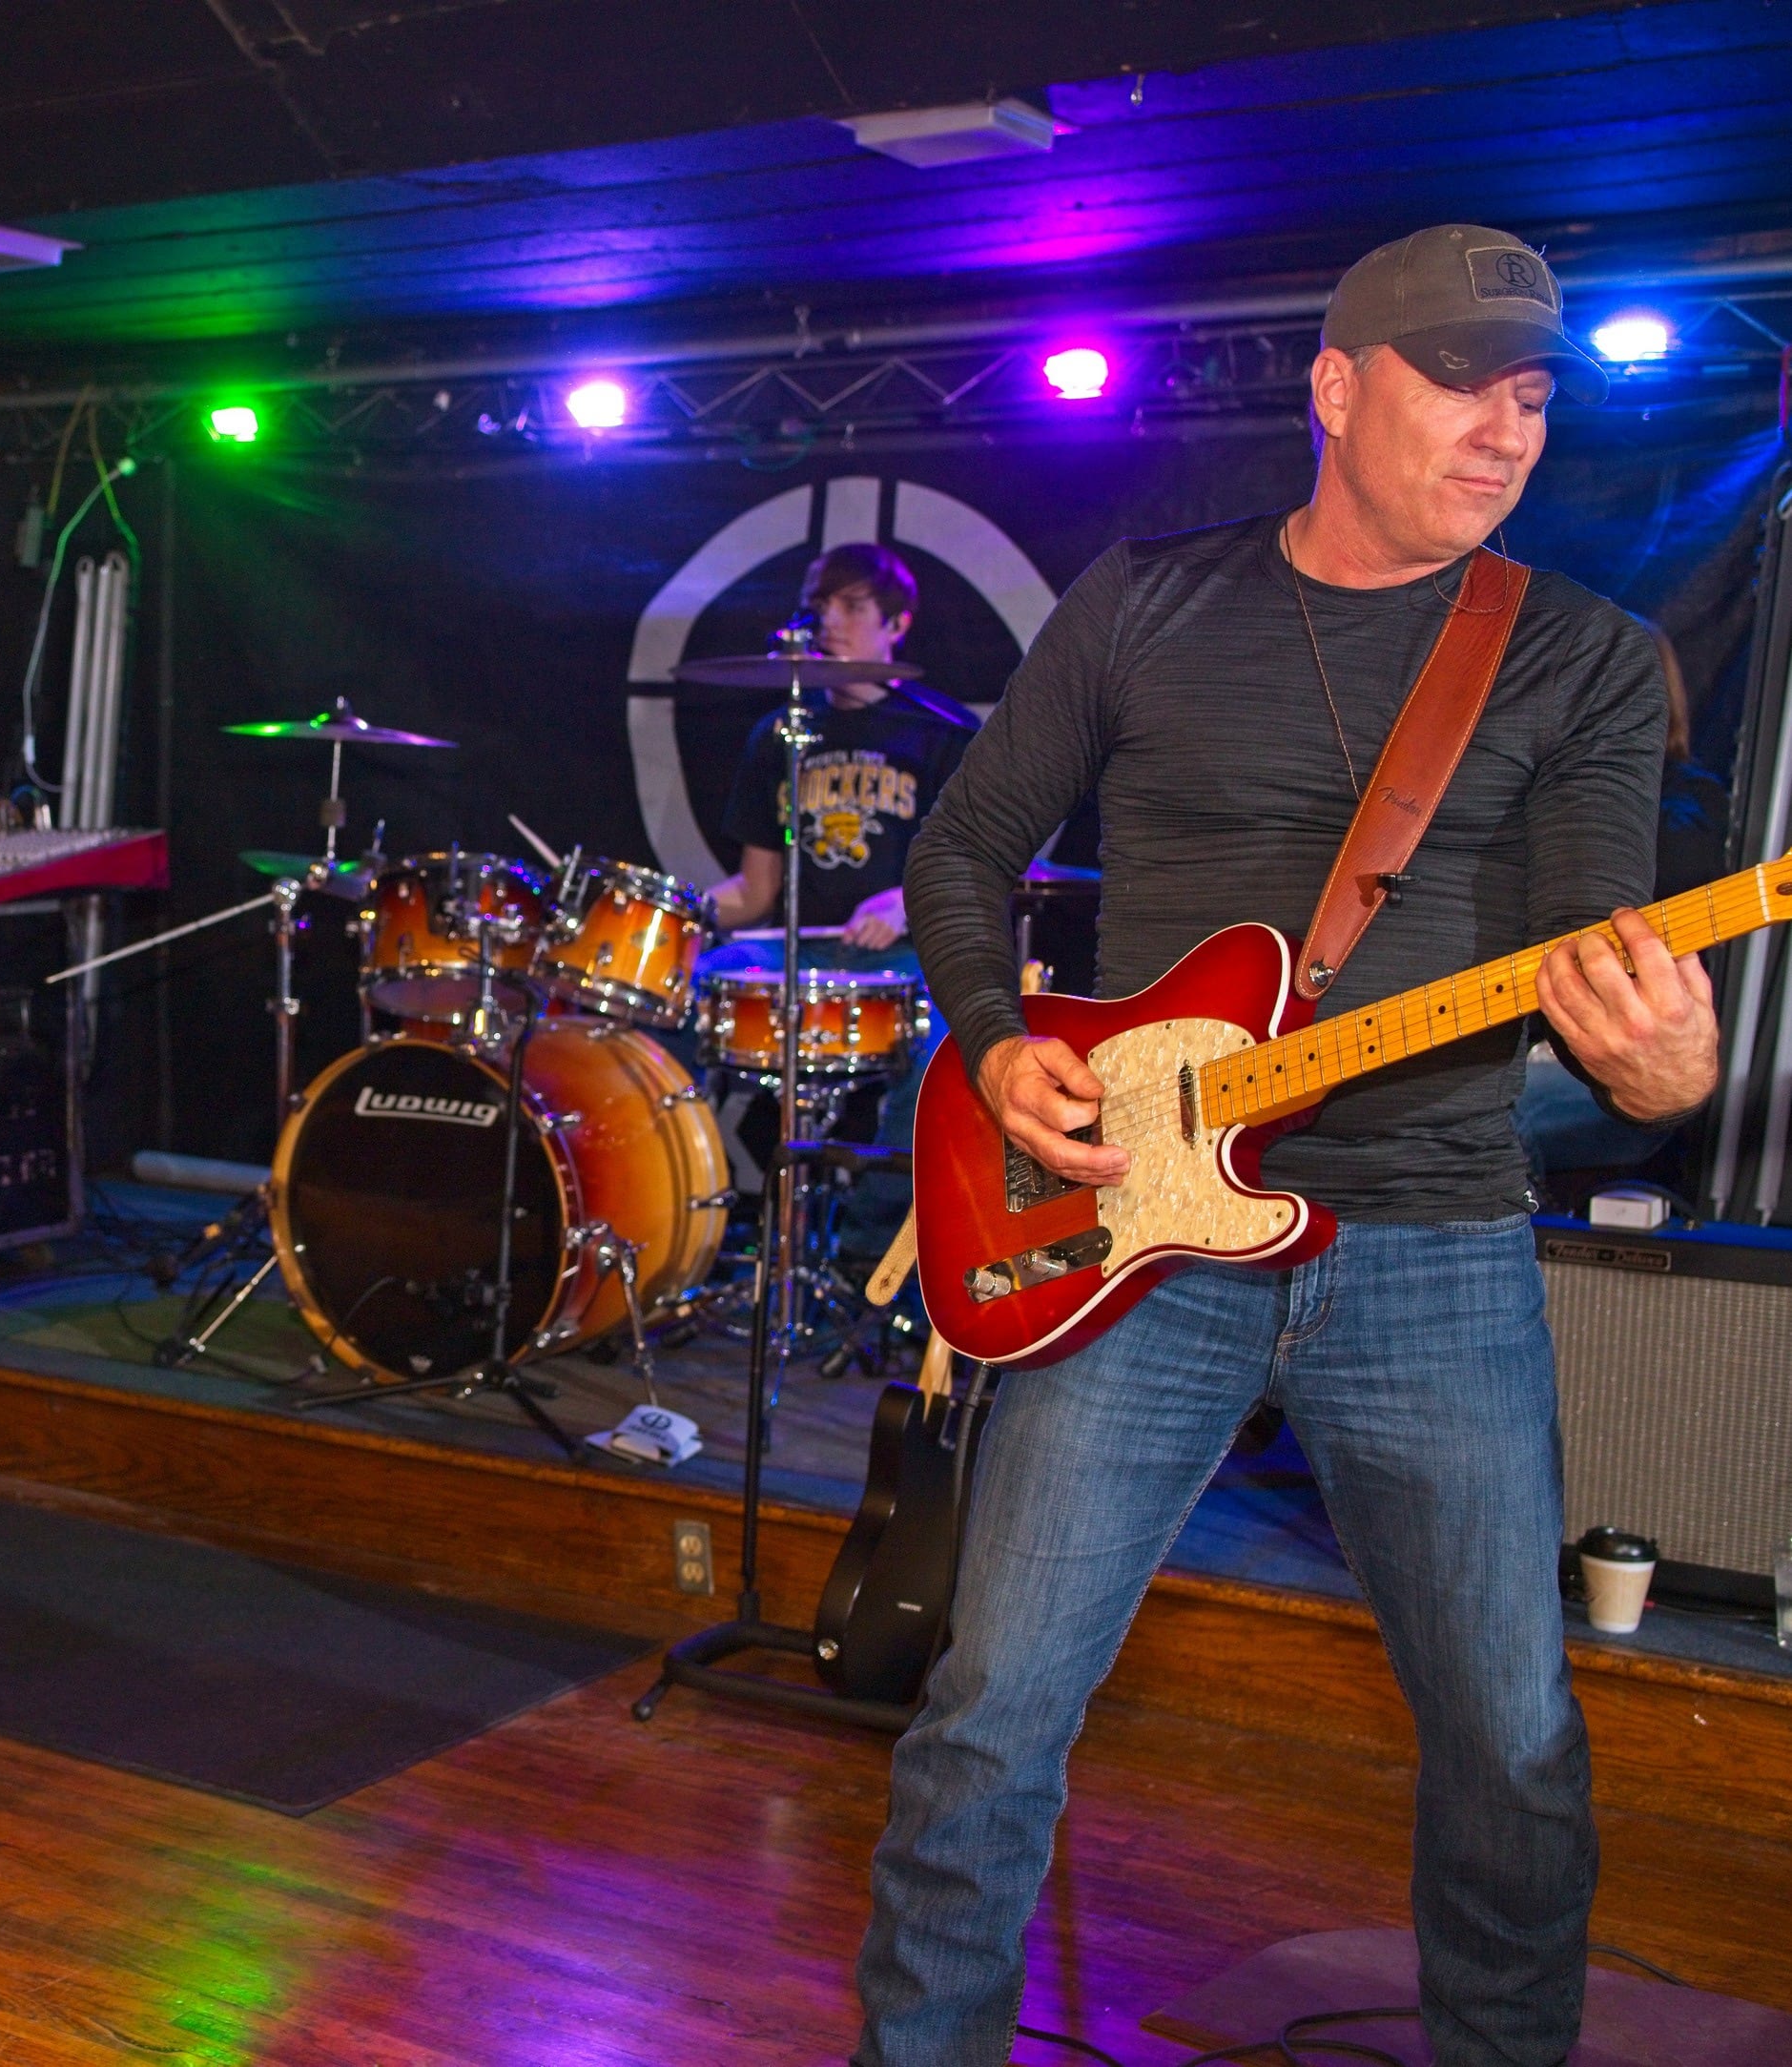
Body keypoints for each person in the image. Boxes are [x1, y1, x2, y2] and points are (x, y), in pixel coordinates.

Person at [875, 225, 1719, 2067]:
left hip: (1432, 1246)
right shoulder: (1143, 603)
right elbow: (962, 847)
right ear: (1336, 388)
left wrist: (1663, 1060)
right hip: (1129, 1236)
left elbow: (1605, 940)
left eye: (1534, 394)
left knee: (1511, 1738)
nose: (1508, 428)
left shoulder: (1583, 655)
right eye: (1464, 383)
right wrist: (1001, 1044)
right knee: (990, 1713)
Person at [707, 543, 968, 1264]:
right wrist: (677, 913)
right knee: (675, 1001)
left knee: (945, 1055)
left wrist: (909, 900)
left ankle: (868, 1261)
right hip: (803, 952)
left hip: (910, 958)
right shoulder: (780, 736)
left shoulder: (943, 734)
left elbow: (988, 862)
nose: (830, 620)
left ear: (897, 623)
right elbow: (754, 892)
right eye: (822, 604)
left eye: (853, 606)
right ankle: (675, 1231)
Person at [1513, 617, 1731, 1188]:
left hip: (1621, 1056)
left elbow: (1673, 881)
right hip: (1524, 1038)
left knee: (1501, 1112)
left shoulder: (1686, 799)